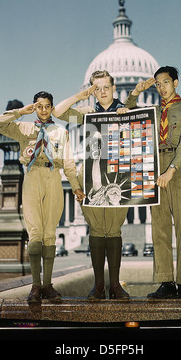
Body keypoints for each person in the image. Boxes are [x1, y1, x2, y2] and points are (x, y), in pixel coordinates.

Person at [53, 70, 154, 300]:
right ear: (92, 91)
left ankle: (115, 285)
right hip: (90, 176)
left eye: (106, 87)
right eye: (96, 88)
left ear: (114, 88)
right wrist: (81, 97)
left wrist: (128, 114)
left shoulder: (126, 110)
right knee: (97, 230)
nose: (102, 92)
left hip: (119, 177)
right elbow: (58, 112)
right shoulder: (87, 112)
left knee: (114, 230)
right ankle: (99, 285)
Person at [0, 91, 85, 303]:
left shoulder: (61, 131)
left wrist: (76, 187)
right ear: (35, 107)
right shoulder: (24, 128)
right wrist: (20, 112)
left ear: (52, 108)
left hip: (53, 176)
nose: (44, 110)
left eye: (47, 106)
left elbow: (69, 163)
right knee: (34, 233)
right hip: (32, 176)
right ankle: (35, 285)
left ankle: (48, 285)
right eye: (39, 106)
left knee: (49, 233)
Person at [124, 66, 181, 299]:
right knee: (160, 229)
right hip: (156, 167)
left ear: (175, 83)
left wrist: (171, 170)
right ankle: (166, 281)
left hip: (180, 166)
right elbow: (128, 111)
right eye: (157, 84)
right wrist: (136, 92)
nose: (161, 87)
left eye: (165, 82)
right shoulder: (153, 112)